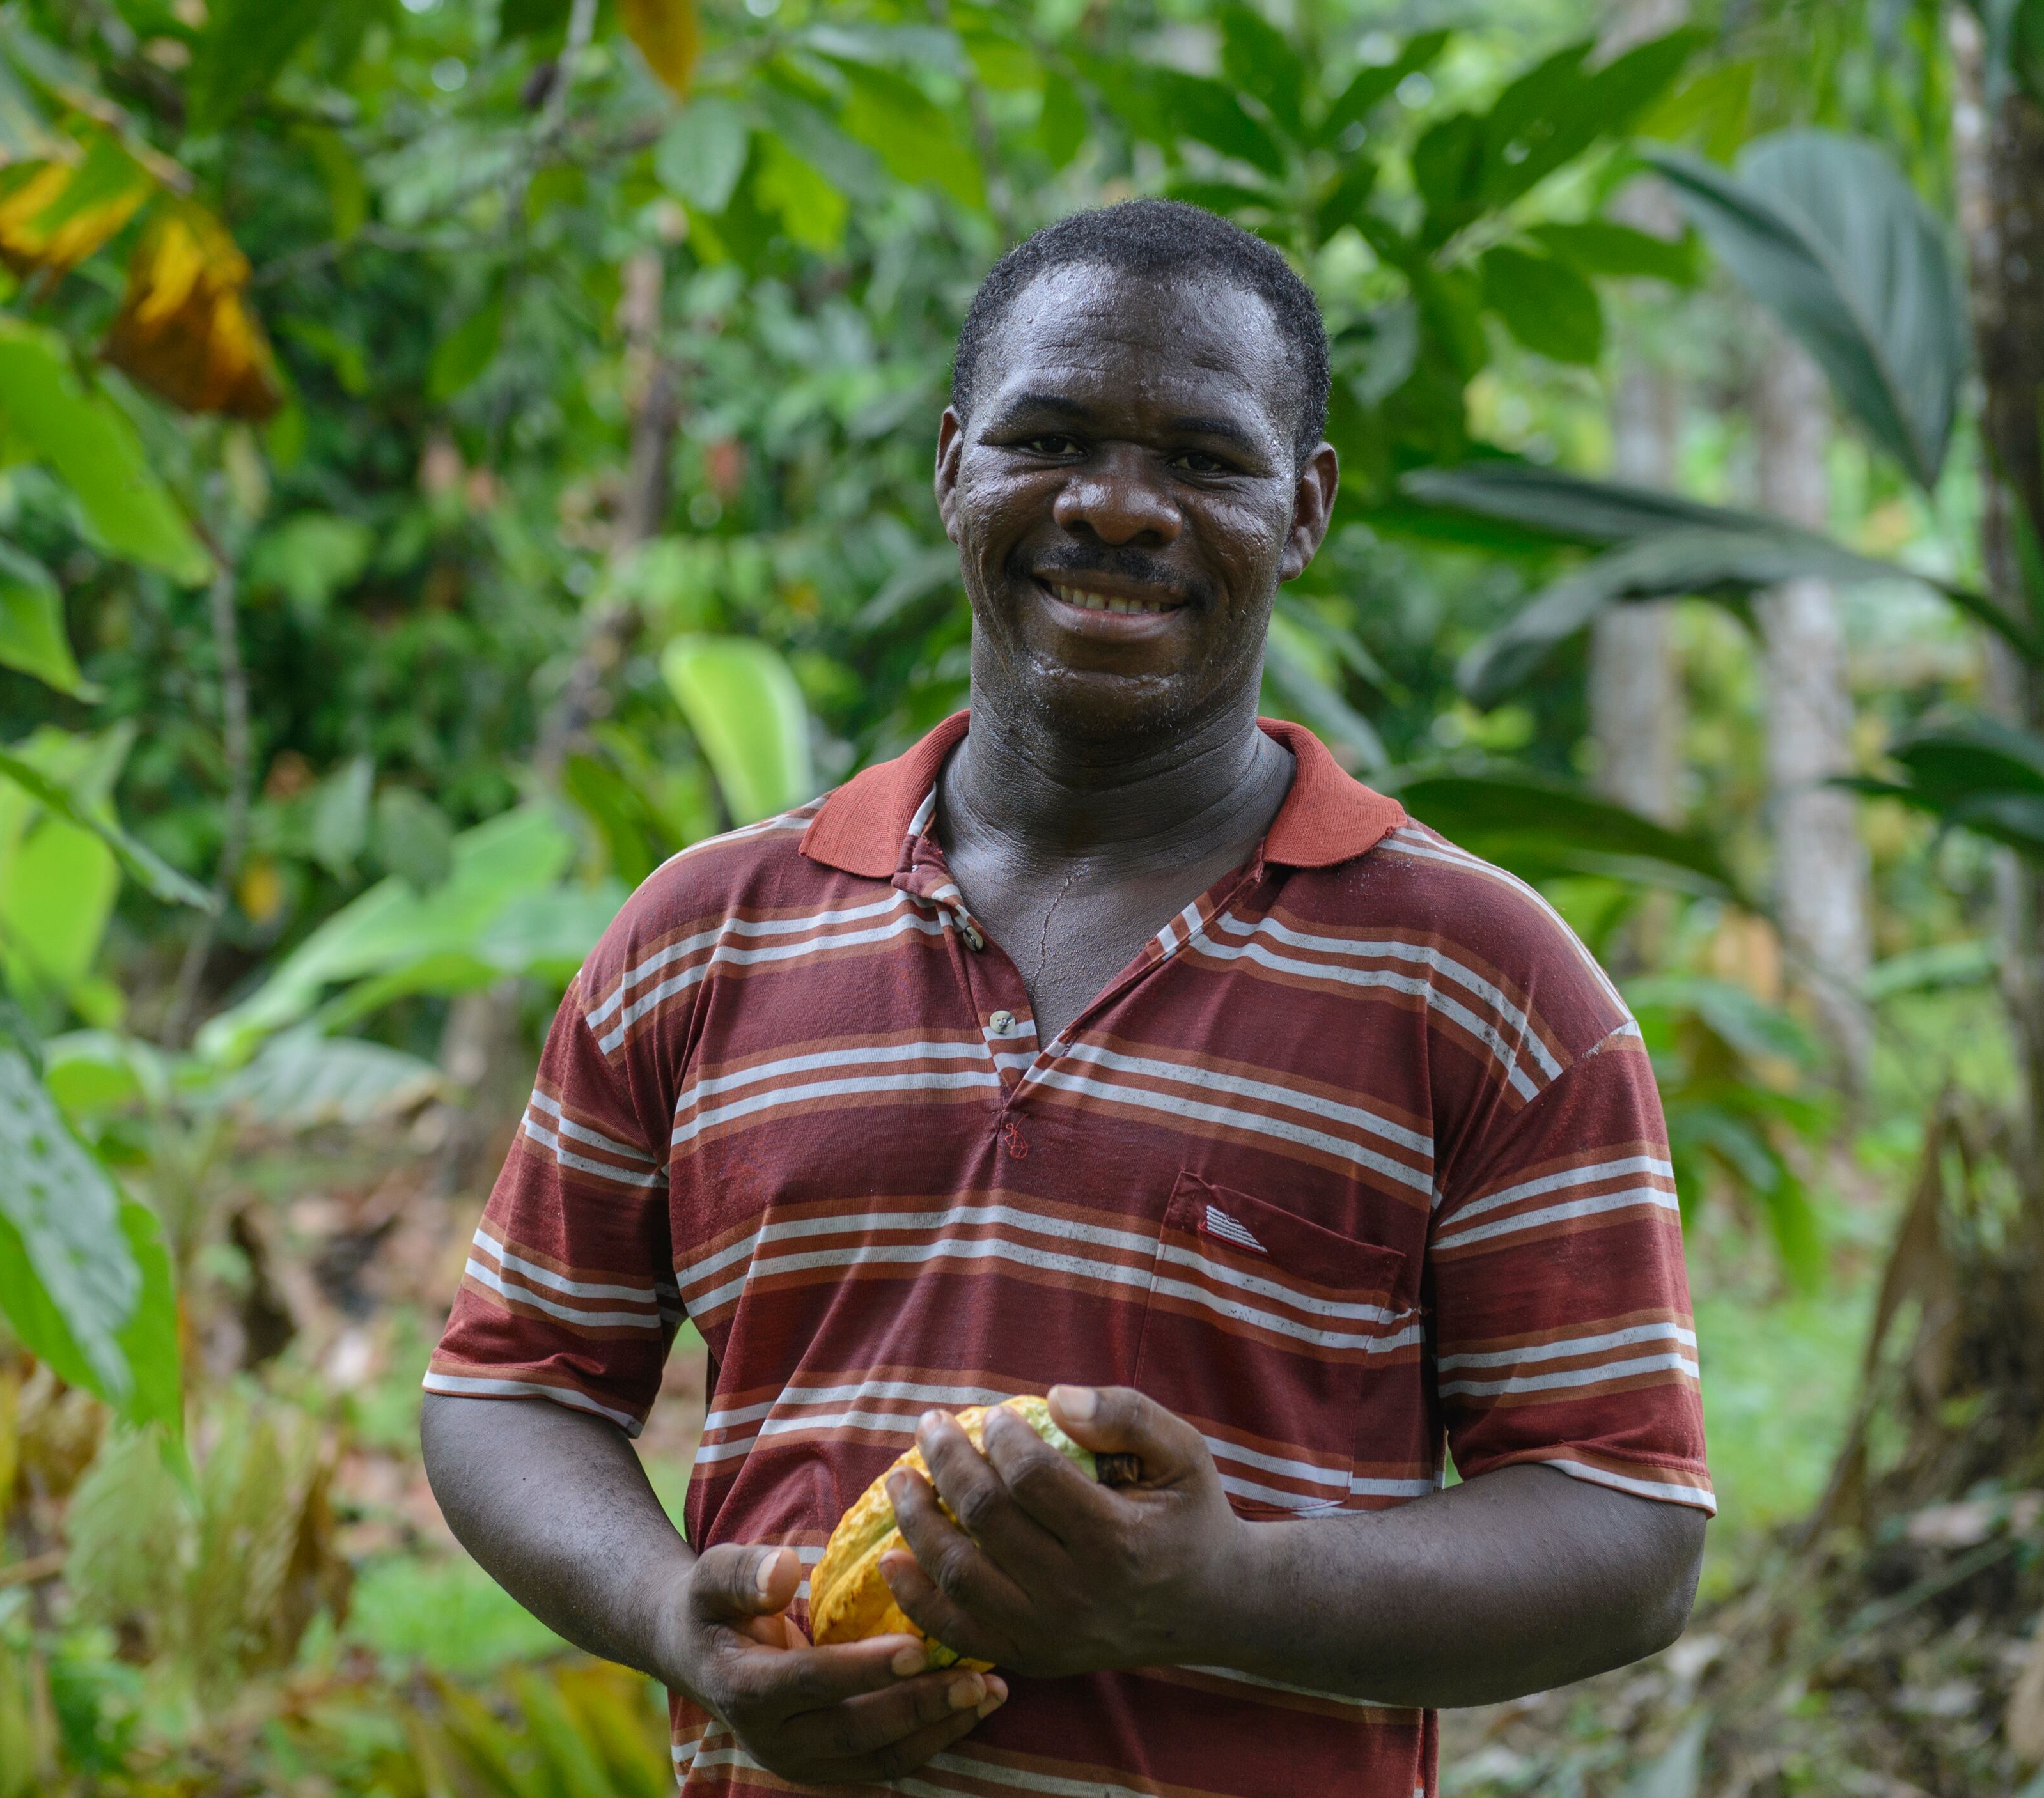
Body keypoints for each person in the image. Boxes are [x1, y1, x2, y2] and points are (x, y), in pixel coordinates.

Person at [420, 199, 1709, 1797]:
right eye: (1052, 437)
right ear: (954, 463)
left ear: (1300, 512)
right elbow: (510, 1384)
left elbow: (1627, 1531)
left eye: (1204, 461)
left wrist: (1211, 1589)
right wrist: (669, 1615)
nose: (1117, 507)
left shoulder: (1484, 982)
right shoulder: (705, 932)